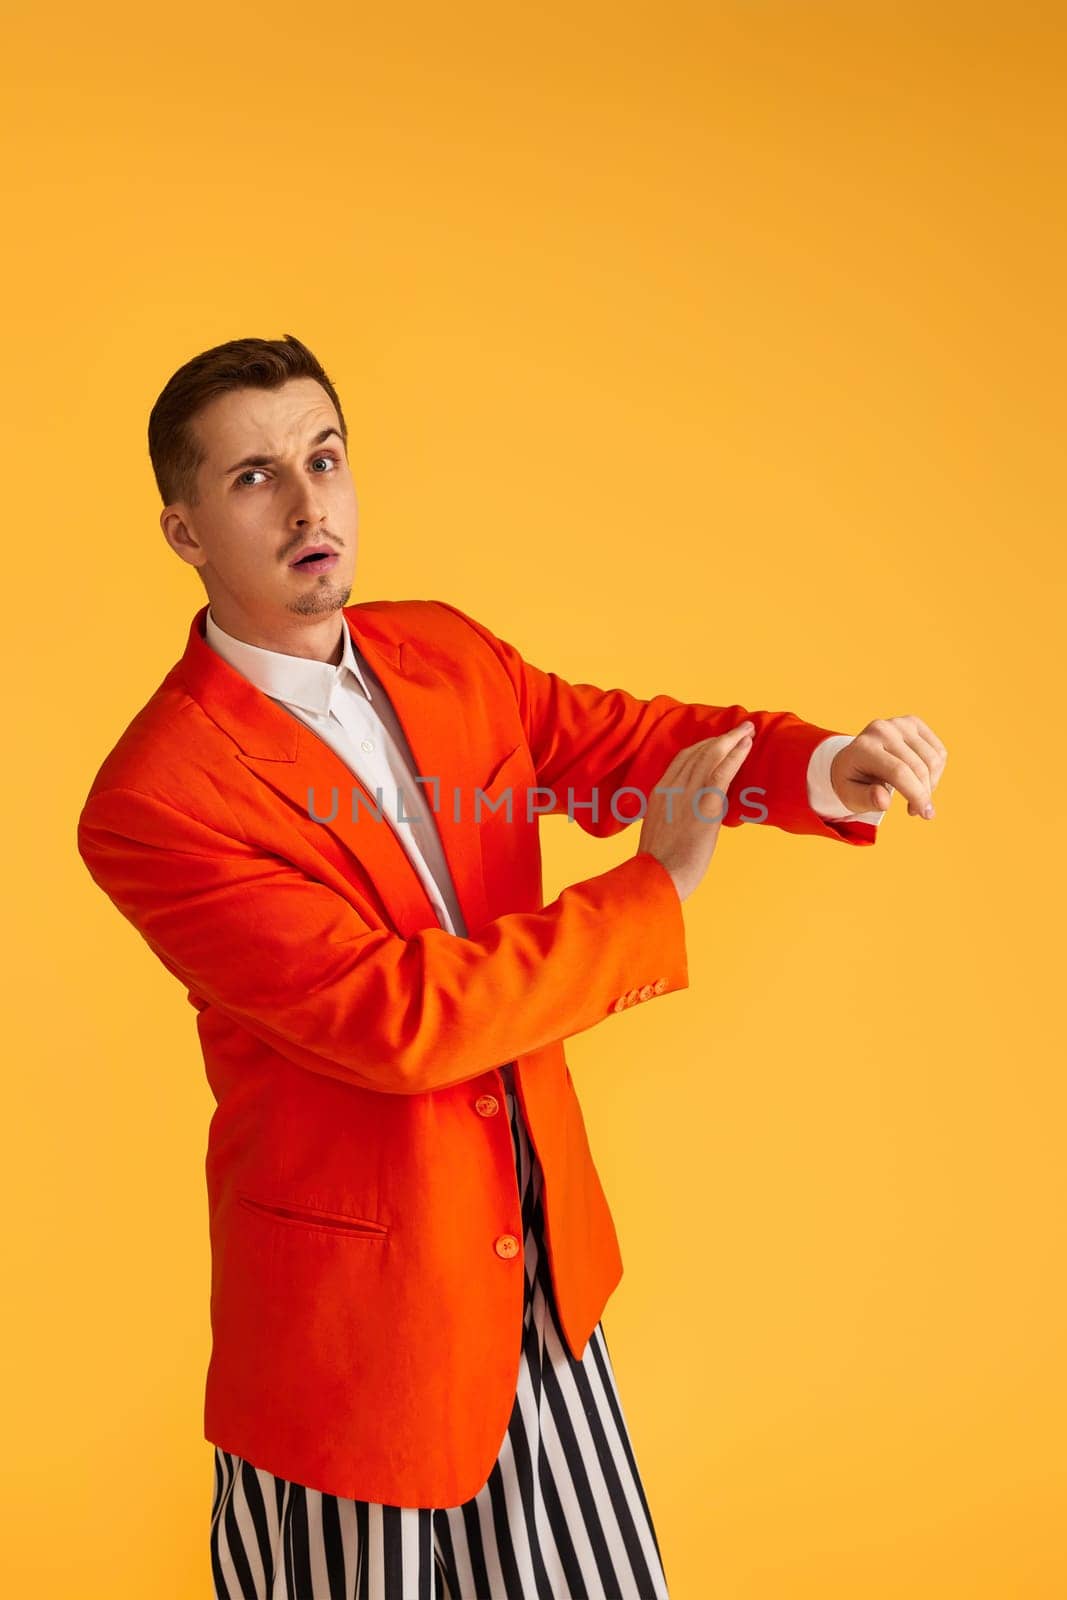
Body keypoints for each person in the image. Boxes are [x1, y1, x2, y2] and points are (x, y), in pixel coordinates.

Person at [76, 334, 947, 1600]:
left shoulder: (442, 651)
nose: (311, 502)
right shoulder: (159, 796)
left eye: (325, 457)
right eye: (257, 478)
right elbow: (399, 1021)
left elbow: (613, 743)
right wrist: (654, 890)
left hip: (541, 1287)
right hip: (350, 1343)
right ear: (184, 530)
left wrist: (813, 767)